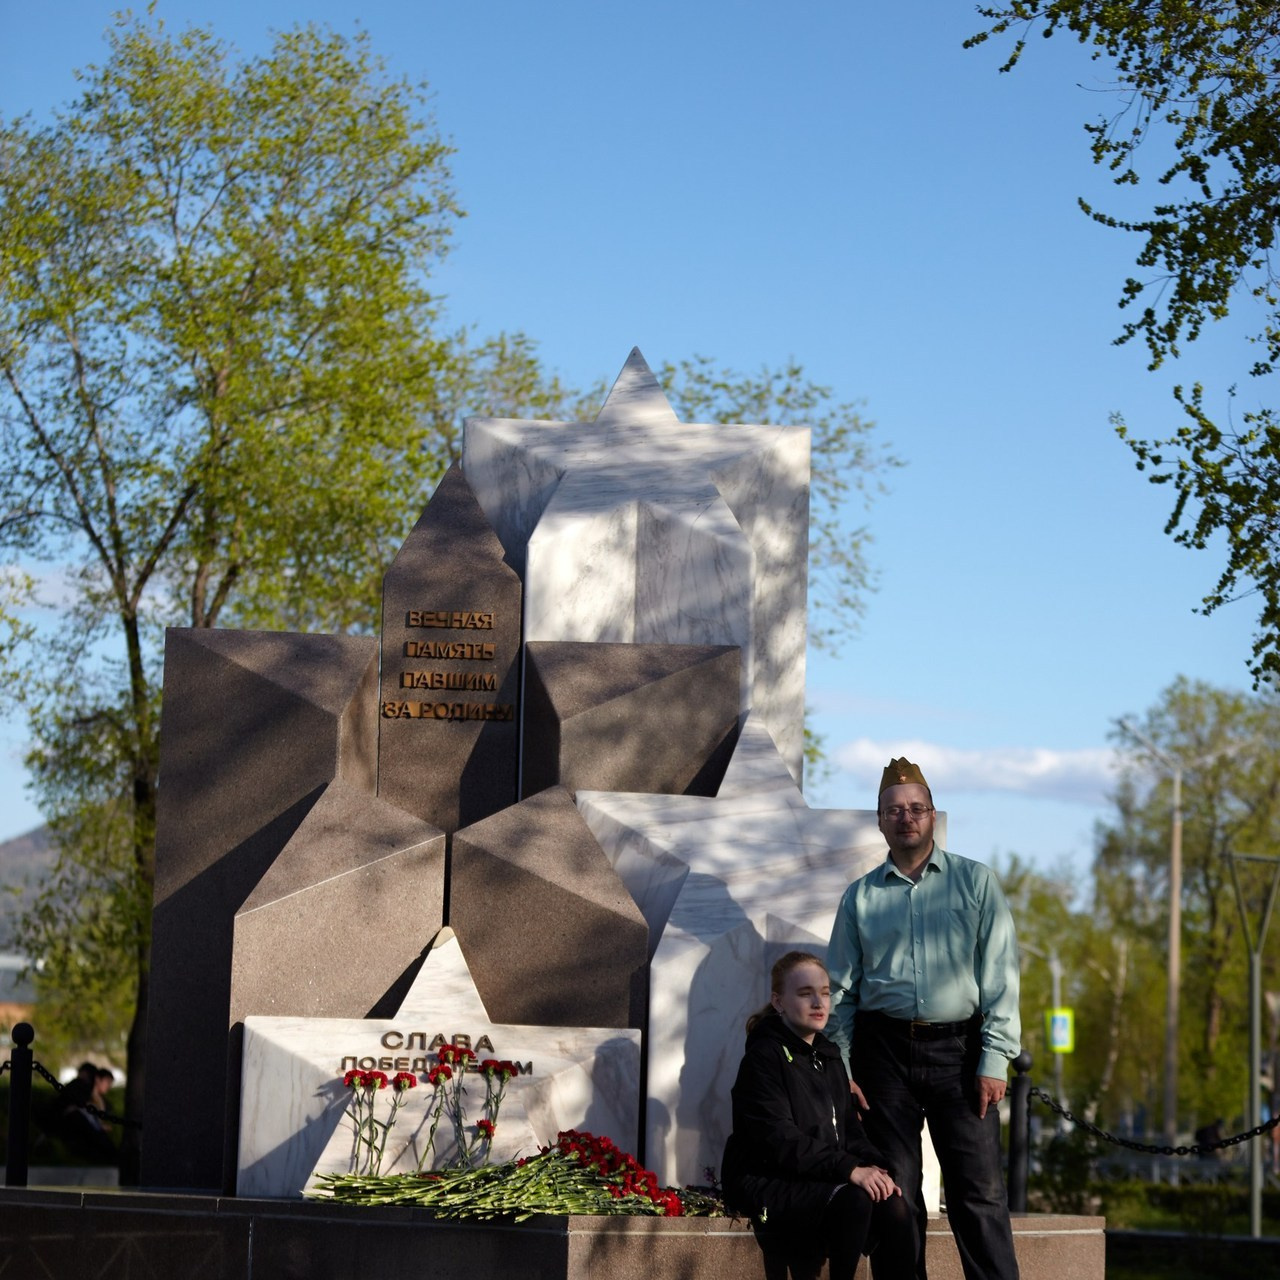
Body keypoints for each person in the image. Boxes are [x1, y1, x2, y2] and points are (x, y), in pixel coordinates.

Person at [827, 758, 1021, 1280]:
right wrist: (841, 1068)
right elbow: (841, 991)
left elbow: (1001, 975)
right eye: (894, 810)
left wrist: (995, 1058)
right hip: (881, 1057)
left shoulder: (976, 883)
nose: (905, 817)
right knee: (897, 1196)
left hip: (961, 1056)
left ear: (932, 816)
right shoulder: (860, 897)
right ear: (880, 821)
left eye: (916, 808)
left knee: (978, 1194)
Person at [721, 950, 915, 1280]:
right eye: (805, 993)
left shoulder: (829, 1056)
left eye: (824, 993)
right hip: (767, 1186)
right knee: (854, 1200)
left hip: (817, 1177)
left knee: (893, 1203)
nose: (818, 1003)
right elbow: (777, 1139)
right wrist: (849, 1169)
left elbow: (851, 1132)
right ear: (778, 1001)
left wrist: (878, 1167)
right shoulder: (763, 1057)